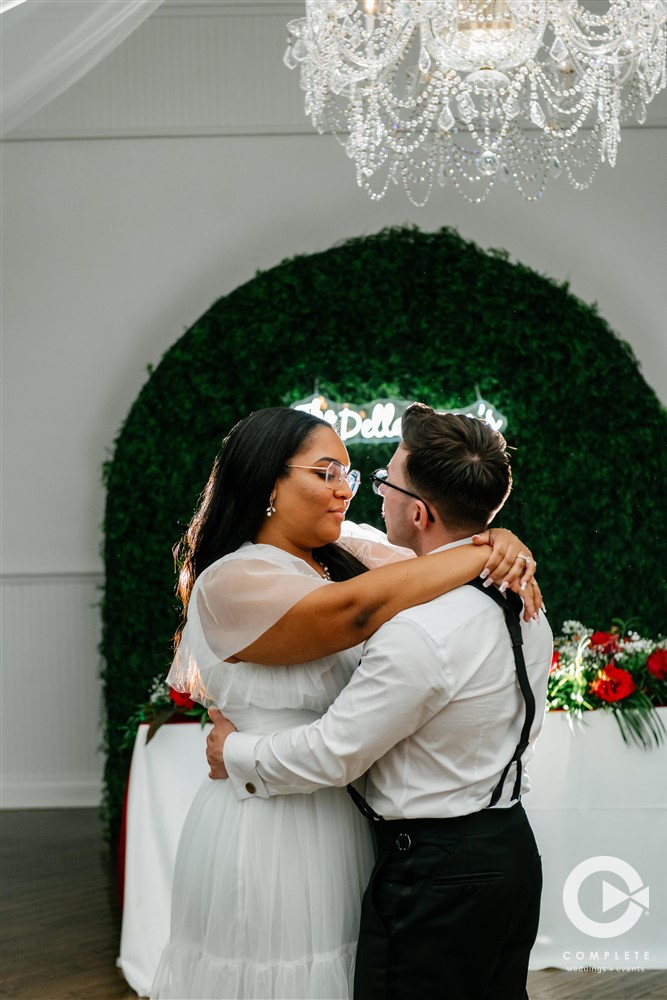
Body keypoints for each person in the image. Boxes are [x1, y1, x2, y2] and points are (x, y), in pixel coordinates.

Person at [151, 405, 541, 1000]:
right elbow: (361, 608)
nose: (345, 493)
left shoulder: (349, 552)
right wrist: (480, 552)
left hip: (345, 812)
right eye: (327, 473)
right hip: (270, 818)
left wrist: (497, 537)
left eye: (352, 476)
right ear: (267, 482)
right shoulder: (231, 578)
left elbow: (433, 546)